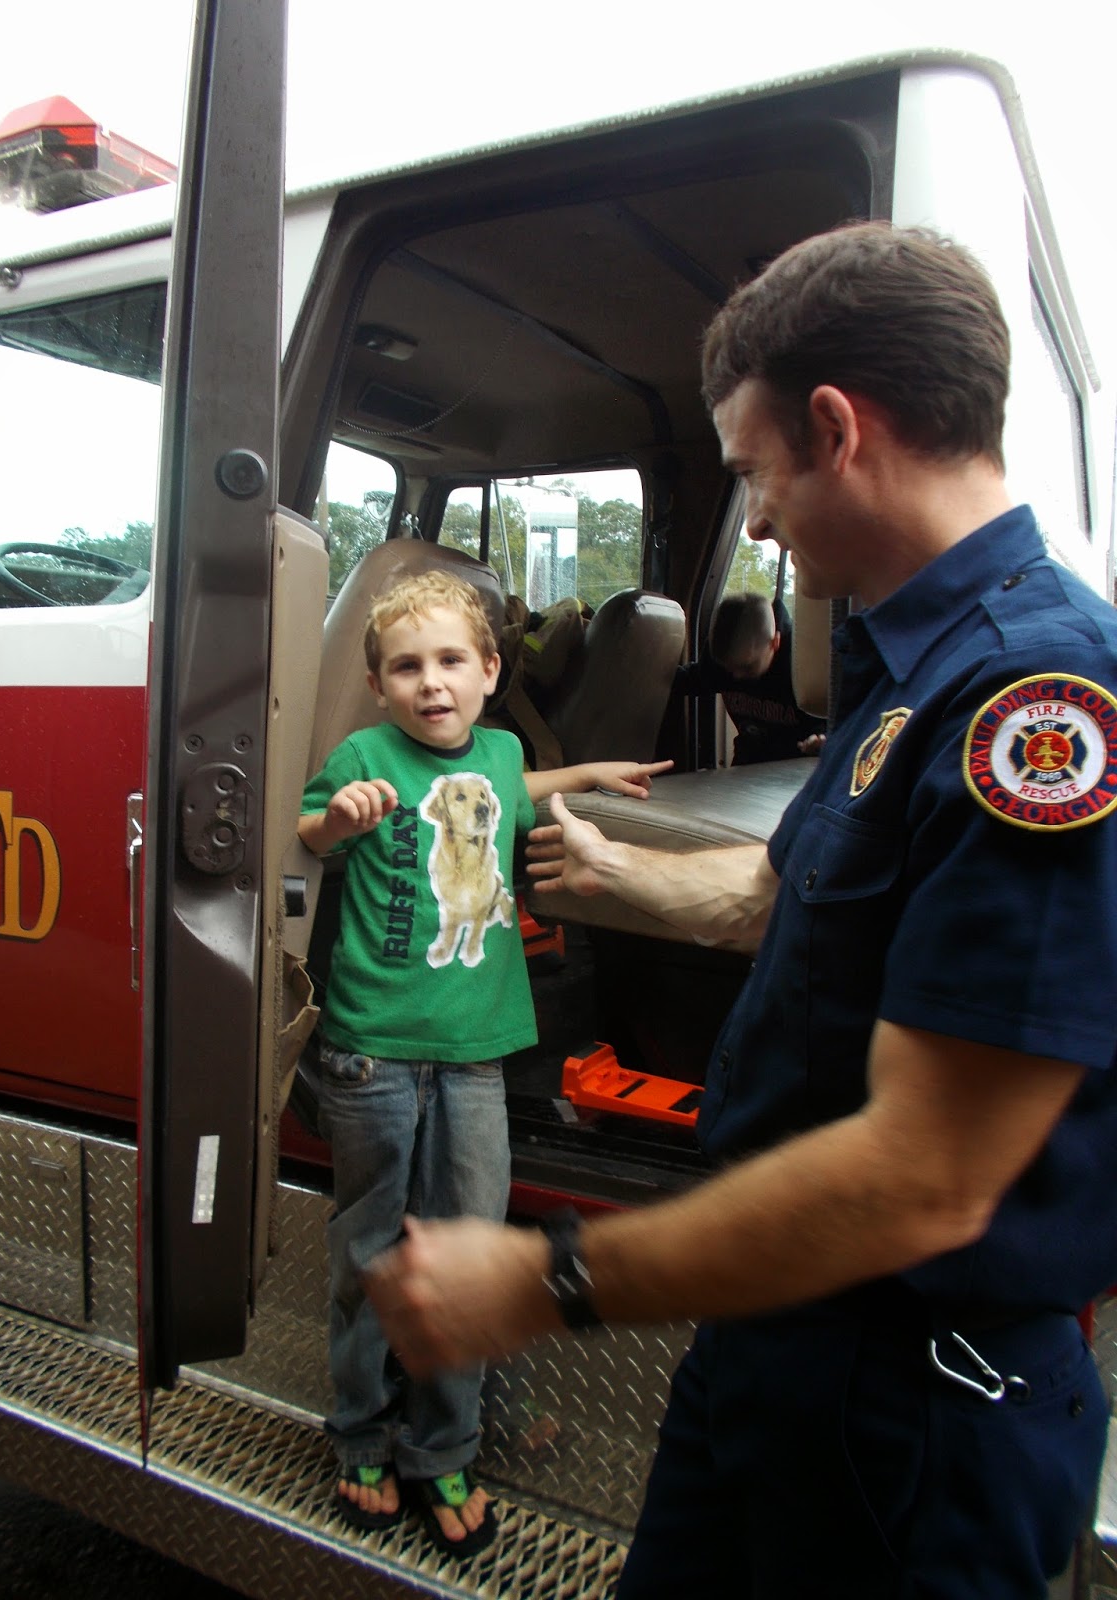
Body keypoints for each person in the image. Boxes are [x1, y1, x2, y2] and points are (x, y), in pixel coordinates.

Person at [363, 224, 1117, 1597]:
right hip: (777, 1336)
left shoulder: (1034, 704)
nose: (755, 519)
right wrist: (620, 879)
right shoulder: (909, 659)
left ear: (837, 429)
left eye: (756, 471)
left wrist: (549, 1280)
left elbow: (926, 1178)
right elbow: (797, 900)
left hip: (910, 1405)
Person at [297, 568, 670, 1558]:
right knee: (372, 1247)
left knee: (467, 1244)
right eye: (407, 666)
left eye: (452, 660)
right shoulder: (362, 755)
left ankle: (443, 1443)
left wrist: (585, 777)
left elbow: (514, 785)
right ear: (379, 684)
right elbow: (307, 828)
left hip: (475, 1057)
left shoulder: (504, 751)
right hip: (373, 1053)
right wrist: (340, 821)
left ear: (490, 670)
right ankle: (362, 1433)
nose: (432, 682)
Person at [677, 590, 826, 762]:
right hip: (746, 764)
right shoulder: (720, 662)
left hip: (794, 768)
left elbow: (825, 723)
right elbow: (693, 679)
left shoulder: (804, 669)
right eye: (728, 669)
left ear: (774, 643)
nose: (736, 676)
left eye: (746, 667)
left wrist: (820, 739)